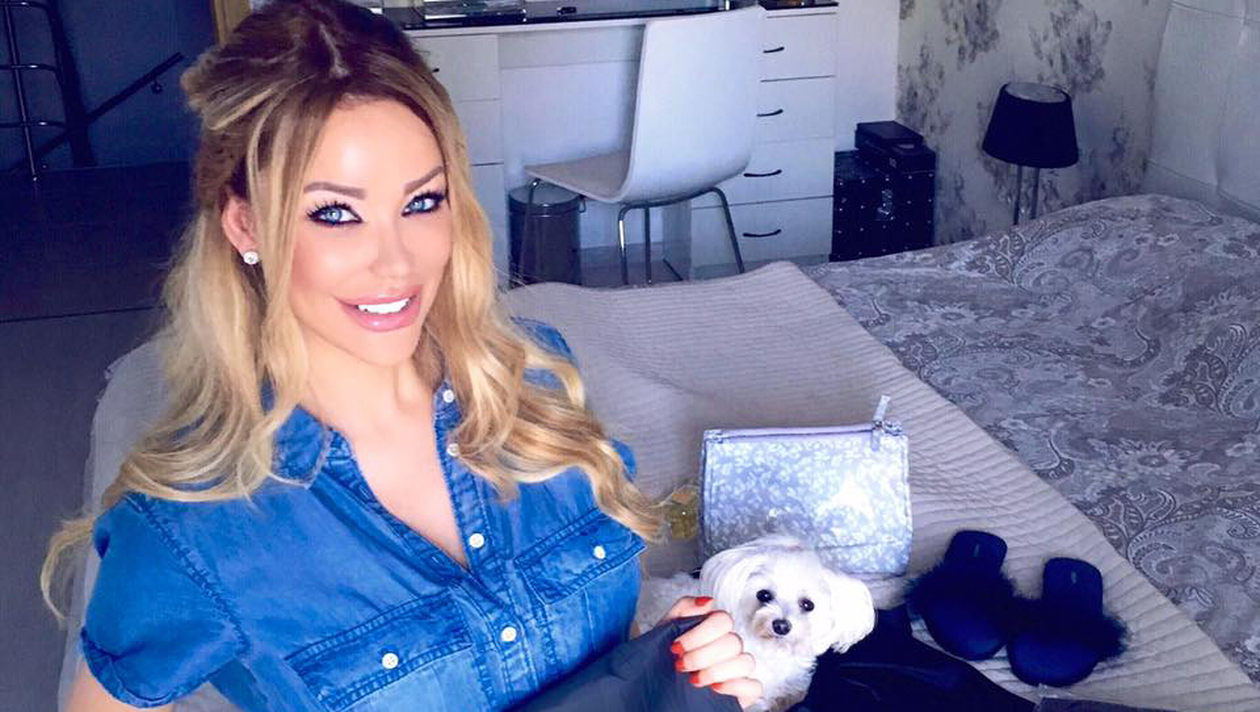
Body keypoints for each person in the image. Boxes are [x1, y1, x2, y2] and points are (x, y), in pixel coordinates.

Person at [39, 1, 762, 709]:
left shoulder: (535, 388)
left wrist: (658, 669)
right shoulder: (193, 528)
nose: (396, 264)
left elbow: (596, 660)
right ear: (246, 225)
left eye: (421, 203)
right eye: (335, 214)